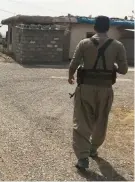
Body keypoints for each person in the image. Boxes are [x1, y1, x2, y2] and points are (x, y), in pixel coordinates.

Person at [68, 16, 128, 170]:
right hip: (105, 89)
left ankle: (82, 158)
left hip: (86, 87)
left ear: (94, 28)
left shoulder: (84, 43)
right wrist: (111, 65)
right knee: (101, 120)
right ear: (108, 28)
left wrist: (70, 76)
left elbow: (74, 63)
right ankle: (93, 149)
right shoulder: (118, 45)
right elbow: (124, 70)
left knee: (82, 120)